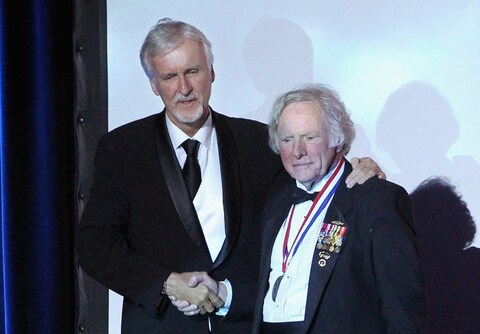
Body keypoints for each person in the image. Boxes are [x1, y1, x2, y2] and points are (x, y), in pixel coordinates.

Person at [76, 18, 384, 334]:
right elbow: (95, 244)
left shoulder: (258, 142)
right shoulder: (124, 148)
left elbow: (314, 186)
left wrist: (358, 172)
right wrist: (166, 284)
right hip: (161, 326)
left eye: (193, 72)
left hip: (245, 324)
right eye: (170, 77)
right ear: (154, 84)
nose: (184, 89)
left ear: (211, 72)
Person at [251, 84, 426, 334]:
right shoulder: (275, 201)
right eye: (288, 139)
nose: (298, 151)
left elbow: (404, 312)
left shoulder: (376, 201)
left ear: (337, 138)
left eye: (310, 137)